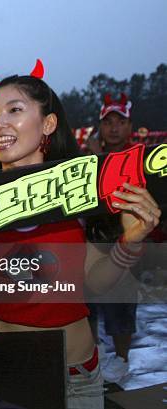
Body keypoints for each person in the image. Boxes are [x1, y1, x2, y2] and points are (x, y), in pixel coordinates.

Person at [0, 72, 160, 408]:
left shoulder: (81, 191)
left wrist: (132, 241)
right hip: (3, 373)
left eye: (14, 110)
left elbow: (96, 283)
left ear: (48, 123)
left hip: (75, 378)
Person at [86, 93, 139, 383]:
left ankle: (121, 359)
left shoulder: (140, 157)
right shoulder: (87, 157)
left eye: (121, 122)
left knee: (120, 304)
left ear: (130, 126)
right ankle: (95, 352)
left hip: (125, 239)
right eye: (108, 122)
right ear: (100, 126)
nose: (114, 128)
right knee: (88, 302)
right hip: (93, 240)